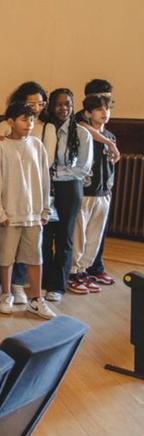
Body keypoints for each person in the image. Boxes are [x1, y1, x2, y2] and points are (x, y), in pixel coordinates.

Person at [0, 81, 57, 307]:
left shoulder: (37, 146)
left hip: (33, 212)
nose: (30, 123)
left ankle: (36, 298)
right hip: (9, 213)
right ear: (10, 122)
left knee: (35, 256)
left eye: (32, 119)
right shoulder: (1, 147)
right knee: (5, 256)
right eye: (25, 119)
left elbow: (44, 179)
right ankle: (5, 293)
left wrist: (45, 209)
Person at [42, 89, 93, 302]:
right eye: (59, 104)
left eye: (68, 104)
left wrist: (55, 173)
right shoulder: (46, 130)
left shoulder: (82, 133)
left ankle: (58, 286)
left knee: (64, 238)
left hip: (69, 189)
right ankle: (44, 282)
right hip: (48, 189)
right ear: (52, 107)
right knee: (45, 237)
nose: (64, 108)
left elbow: (83, 168)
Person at [75, 80, 118, 286]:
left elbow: (110, 165)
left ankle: (88, 270)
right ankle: (74, 271)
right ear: (88, 109)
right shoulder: (81, 128)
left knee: (95, 234)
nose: (105, 110)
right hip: (85, 191)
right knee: (79, 236)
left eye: (108, 106)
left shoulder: (110, 135)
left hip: (103, 192)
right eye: (99, 107)